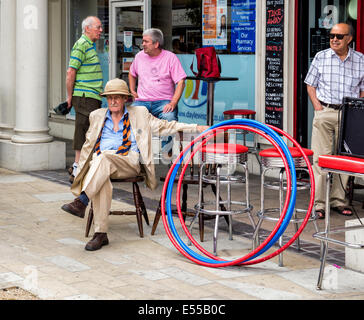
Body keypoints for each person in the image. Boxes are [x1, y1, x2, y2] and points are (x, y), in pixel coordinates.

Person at [61, 78, 208, 251]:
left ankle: (82, 201)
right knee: (102, 170)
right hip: (101, 164)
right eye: (110, 97)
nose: (113, 101)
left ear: (125, 99)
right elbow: (88, 146)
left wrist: (196, 127)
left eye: (118, 97)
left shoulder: (139, 113)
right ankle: (100, 234)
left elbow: (165, 125)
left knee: (104, 159)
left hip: (128, 161)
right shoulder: (96, 116)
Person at [305, 22, 364, 219]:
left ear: (349, 39)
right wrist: (318, 108)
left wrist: (357, 112)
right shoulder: (321, 57)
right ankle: (319, 204)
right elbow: (310, 85)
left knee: (346, 159)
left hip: (350, 116)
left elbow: (363, 89)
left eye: (339, 36)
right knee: (320, 159)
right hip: (325, 111)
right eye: (332, 36)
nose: (334, 39)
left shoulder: (360, 60)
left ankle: (338, 201)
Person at [128, 28, 187, 161]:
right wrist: (132, 90)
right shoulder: (139, 56)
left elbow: (181, 82)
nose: (142, 44)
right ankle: (133, 155)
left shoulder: (170, 57)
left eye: (146, 41)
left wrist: (173, 102)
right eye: (143, 41)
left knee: (170, 118)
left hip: (163, 101)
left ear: (156, 44)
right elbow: (132, 74)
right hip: (142, 101)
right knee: (128, 120)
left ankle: (167, 155)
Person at [66, 16, 104, 183]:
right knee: (85, 131)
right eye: (98, 27)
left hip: (91, 96)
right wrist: (69, 97)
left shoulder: (90, 45)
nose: (101, 30)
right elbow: (70, 72)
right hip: (84, 96)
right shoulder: (81, 44)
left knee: (88, 131)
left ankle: (81, 166)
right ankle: (77, 167)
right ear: (87, 28)